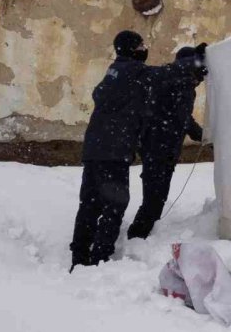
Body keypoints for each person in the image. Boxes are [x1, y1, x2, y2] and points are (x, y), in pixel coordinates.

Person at [70, 30, 152, 270]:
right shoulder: (135, 71)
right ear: (132, 49)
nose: (145, 49)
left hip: (95, 150)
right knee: (114, 205)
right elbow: (166, 74)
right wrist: (193, 61)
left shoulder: (114, 71)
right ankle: (100, 259)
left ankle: (79, 258)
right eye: (141, 45)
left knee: (89, 204)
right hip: (115, 153)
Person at [127, 45, 208, 240]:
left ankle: (144, 235)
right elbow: (183, 118)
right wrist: (205, 136)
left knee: (156, 195)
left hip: (160, 146)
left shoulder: (175, 81)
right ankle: (137, 237)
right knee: (154, 197)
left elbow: (182, 117)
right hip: (159, 146)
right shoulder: (178, 81)